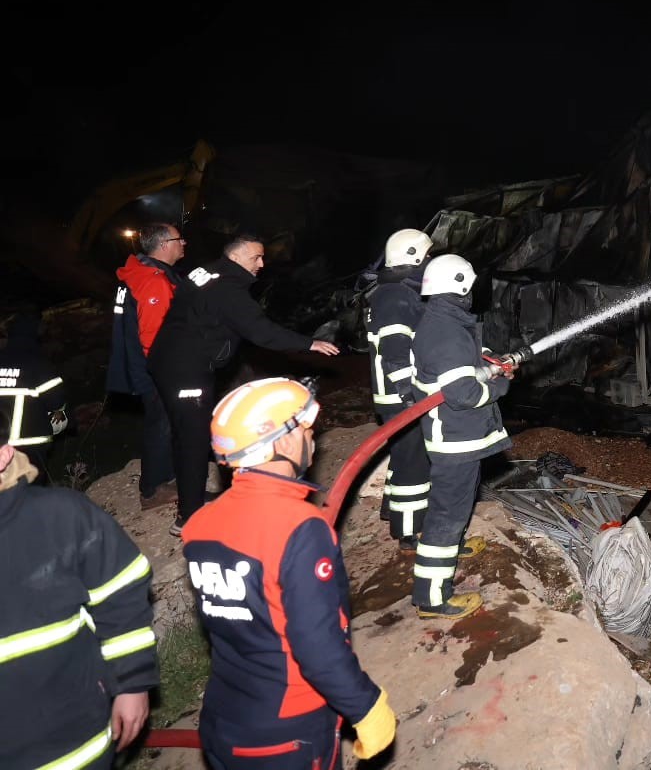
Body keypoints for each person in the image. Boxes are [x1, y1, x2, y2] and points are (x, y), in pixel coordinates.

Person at [182, 377, 395, 769]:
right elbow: (316, 646)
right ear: (280, 442)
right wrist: (365, 706)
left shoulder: (200, 524)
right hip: (288, 734)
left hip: (224, 721)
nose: (313, 439)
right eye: (305, 429)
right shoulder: (299, 528)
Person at [149, 233, 341, 535]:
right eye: (256, 258)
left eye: (263, 257)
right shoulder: (227, 289)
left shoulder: (207, 271)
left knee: (187, 432)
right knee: (194, 438)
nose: (262, 264)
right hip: (185, 370)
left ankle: (193, 496)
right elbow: (261, 332)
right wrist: (309, 344)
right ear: (235, 257)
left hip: (170, 360)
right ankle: (188, 517)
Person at [0, 417, 158, 769]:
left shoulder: (60, 515)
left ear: (4, 455)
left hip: (78, 739)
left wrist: (132, 683)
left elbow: (121, 592)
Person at [409, 254, 513, 620]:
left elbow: (463, 359)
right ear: (463, 285)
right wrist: (499, 385)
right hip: (455, 440)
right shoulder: (447, 332)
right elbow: (465, 394)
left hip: (455, 436)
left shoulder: (443, 319)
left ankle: (449, 547)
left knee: (452, 508)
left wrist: (490, 360)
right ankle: (433, 598)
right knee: (446, 514)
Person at [107, 222, 187, 509]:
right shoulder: (153, 280)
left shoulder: (135, 273)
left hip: (139, 365)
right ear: (165, 245)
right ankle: (153, 490)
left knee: (160, 423)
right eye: (180, 239)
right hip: (155, 369)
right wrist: (176, 370)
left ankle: (162, 478)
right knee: (163, 424)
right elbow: (155, 337)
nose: (184, 243)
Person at [363, 228, 433, 548]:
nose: (429, 261)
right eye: (427, 256)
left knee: (404, 454)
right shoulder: (397, 296)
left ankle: (392, 510)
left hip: (393, 392)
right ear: (414, 258)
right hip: (399, 393)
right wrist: (409, 392)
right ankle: (408, 532)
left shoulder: (391, 291)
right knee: (413, 460)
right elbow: (394, 349)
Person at [0, 308, 67, 476]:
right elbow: (56, 401)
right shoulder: (39, 364)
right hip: (30, 444)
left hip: (1, 444)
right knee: (28, 493)